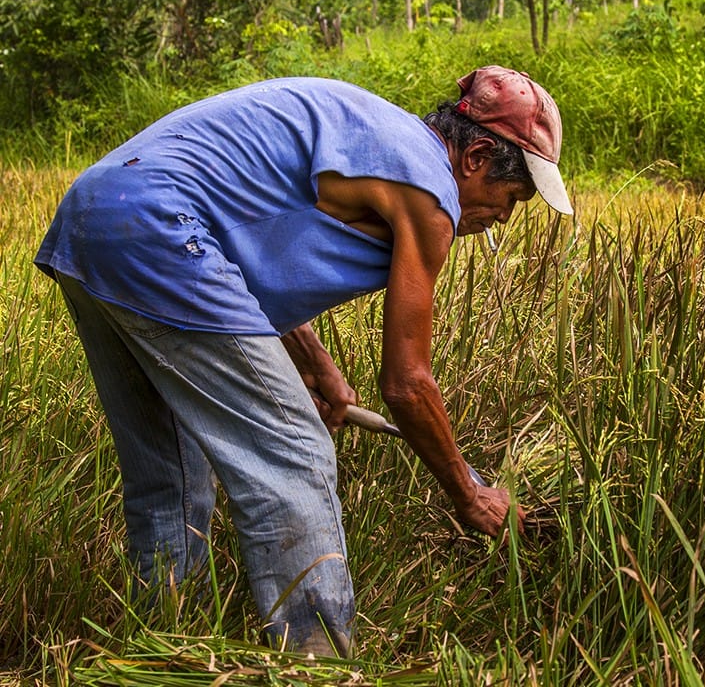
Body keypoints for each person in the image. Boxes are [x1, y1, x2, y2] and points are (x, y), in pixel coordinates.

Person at [34, 66, 573, 657]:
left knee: (171, 474)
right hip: (163, 228)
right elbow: (407, 384)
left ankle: (158, 643)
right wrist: (469, 493)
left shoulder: (380, 136)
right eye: (512, 196)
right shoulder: (429, 191)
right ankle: (314, 662)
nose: (505, 215)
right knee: (295, 454)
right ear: (475, 156)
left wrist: (315, 365)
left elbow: (245, 235)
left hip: (95, 215)